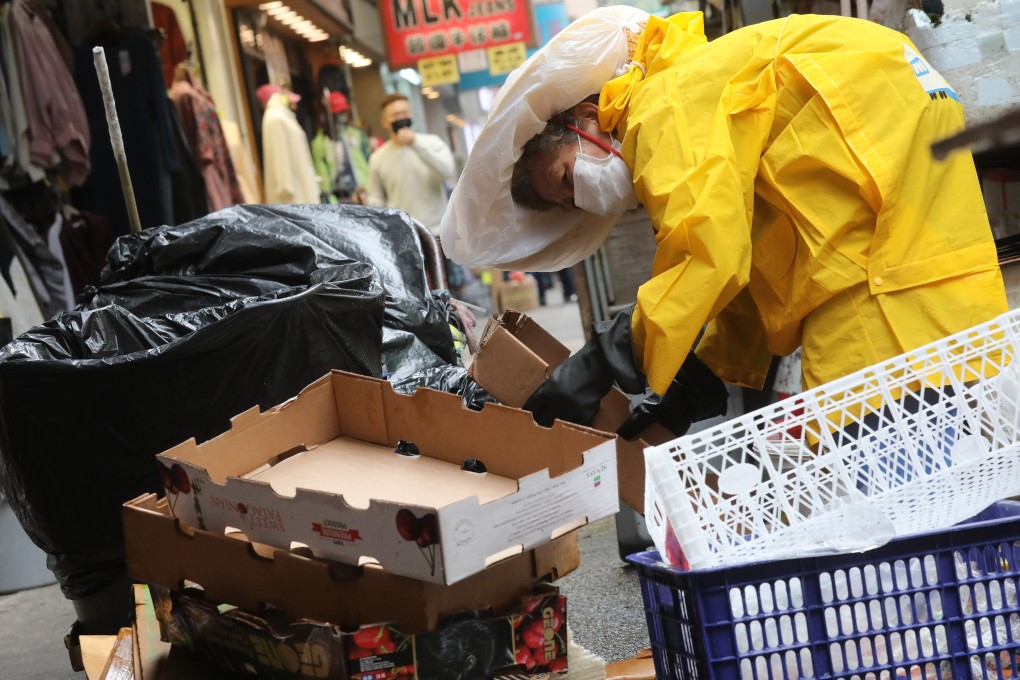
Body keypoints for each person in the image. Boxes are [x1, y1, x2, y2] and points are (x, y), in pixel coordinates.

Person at [439, 8, 1007, 433]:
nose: (579, 201)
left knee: (869, 441)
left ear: (589, 118)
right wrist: (693, 387)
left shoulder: (664, 106)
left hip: (873, 270)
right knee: (938, 432)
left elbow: (707, 256)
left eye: (565, 178)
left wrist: (603, 359)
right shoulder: (703, 83)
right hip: (900, 238)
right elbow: (752, 264)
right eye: (566, 204)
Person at [367, 93, 455, 236]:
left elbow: (448, 171)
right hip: (402, 236)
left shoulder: (432, 143)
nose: (401, 118)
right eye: (395, 115)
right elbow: (376, 198)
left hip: (438, 232)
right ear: (384, 121)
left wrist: (415, 144)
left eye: (405, 113)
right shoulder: (377, 158)